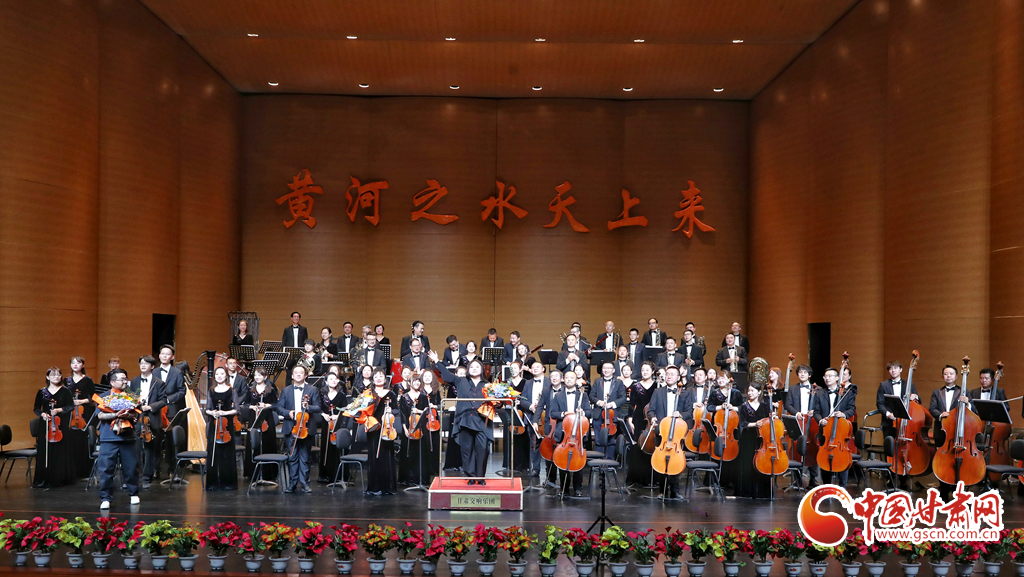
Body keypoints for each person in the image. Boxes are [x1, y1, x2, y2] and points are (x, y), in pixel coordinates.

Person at [430, 351, 491, 484]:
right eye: (471, 367)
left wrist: (498, 403)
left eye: (477, 367)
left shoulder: (487, 385)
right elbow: (447, 376)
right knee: (466, 450)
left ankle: (480, 477)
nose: (474, 369)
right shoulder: (461, 381)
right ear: (468, 370)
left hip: (481, 422)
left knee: (483, 449)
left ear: (482, 370)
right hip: (465, 421)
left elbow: (495, 401)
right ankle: (471, 476)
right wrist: (437, 361)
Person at [645, 366, 694, 499]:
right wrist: (652, 417)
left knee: (675, 460)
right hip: (662, 431)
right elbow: (651, 410)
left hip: (677, 432)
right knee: (660, 460)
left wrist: (680, 415)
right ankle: (662, 490)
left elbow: (689, 412)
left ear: (678, 377)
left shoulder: (685, 393)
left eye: (672, 374)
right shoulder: (658, 391)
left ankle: (675, 490)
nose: (669, 376)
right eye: (667, 374)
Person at [96, 369, 141, 508]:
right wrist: (116, 415)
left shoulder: (131, 396)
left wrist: (128, 415)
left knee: (131, 467)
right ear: (112, 382)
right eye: (122, 379)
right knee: (106, 469)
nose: (125, 382)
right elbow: (100, 415)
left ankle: (133, 493)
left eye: (126, 379)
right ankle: (105, 498)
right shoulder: (103, 397)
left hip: (128, 437)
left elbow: (136, 415)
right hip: (108, 438)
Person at [929, 365, 973, 499]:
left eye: (951, 374)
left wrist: (968, 403)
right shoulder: (937, 392)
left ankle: (956, 487)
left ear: (957, 376)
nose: (948, 376)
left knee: (957, 459)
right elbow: (932, 408)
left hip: (958, 432)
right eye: (946, 374)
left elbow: (973, 411)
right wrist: (940, 414)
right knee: (942, 461)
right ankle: (943, 488)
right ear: (943, 376)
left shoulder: (964, 391)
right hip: (941, 431)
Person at [276, 365, 321, 493]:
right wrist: (288, 413)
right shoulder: (286, 390)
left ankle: (305, 483)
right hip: (291, 427)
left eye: (301, 373)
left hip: (306, 427)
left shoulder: (312, 389)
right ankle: (292, 484)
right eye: (296, 373)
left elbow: (318, 407)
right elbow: (279, 407)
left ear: (305, 375)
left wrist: (308, 407)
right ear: (292, 376)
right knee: (292, 457)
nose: (298, 374)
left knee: (305, 457)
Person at [876, 360, 919, 490]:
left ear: (901, 369)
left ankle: (904, 476)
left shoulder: (909, 384)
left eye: (895, 368)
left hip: (905, 424)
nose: (893, 370)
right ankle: (891, 475)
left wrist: (915, 397)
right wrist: (889, 414)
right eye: (890, 369)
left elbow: (918, 402)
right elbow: (880, 404)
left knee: (904, 448)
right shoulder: (883, 385)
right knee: (891, 449)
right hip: (889, 422)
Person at [550, 370, 592, 497]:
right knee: (562, 460)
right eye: (567, 378)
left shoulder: (582, 395)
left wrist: (583, 413)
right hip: (564, 433)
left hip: (578, 432)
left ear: (576, 380)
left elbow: (589, 412)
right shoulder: (558, 396)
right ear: (563, 379)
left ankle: (578, 488)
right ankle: (564, 488)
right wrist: (564, 414)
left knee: (578, 460)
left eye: (571, 378)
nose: (569, 380)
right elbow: (553, 413)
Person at [33, 367, 76, 489]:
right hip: (45, 424)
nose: (56, 377)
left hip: (60, 424)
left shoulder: (65, 391)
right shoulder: (42, 392)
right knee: (45, 450)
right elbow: (36, 408)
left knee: (60, 449)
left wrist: (59, 410)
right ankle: (44, 478)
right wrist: (42, 414)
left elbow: (71, 406)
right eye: (53, 375)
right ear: (48, 377)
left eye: (59, 375)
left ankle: (60, 478)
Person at [814, 367, 857, 487]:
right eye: (825, 376)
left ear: (837, 378)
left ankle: (842, 486)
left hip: (840, 429)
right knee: (824, 456)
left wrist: (843, 414)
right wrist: (820, 420)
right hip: (825, 430)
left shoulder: (847, 392)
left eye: (830, 376)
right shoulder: (819, 393)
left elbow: (852, 409)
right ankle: (826, 485)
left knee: (842, 456)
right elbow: (816, 411)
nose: (827, 378)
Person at [130, 355, 166, 488]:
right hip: (137, 417)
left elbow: (163, 400)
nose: (143, 366)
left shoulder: (159, 382)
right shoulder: (134, 381)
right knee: (136, 448)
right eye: (141, 363)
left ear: (152, 366)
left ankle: (147, 477)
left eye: (146, 363)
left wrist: (150, 407)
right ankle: (136, 476)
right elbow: (131, 397)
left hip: (152, 418)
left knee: (150, 449)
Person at [734, 383, 772, 498]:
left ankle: (762, 492)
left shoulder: (765, 406)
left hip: (762, 439)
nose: (750, 393)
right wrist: (754, 424)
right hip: (748, 438)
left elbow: (769, 420)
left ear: (759, 392)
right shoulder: (744, 406)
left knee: (761, 463)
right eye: (749, 391)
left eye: (752, 390)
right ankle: (747, 492)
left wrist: (772, 417)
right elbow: (742, 423)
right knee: (748, 464)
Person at [205, 366, 240, 490]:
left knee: (227, 453)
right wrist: (212, 413)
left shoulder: (232, 390)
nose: (219, 376)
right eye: (217, 374)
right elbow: (207, 408)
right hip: (214, 424)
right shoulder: (211, 391)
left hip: (226, 425)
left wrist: (224, 413)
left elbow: (236, 409)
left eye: (222, 374)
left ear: (226, 376)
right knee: (214, 452)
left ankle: (228, 483)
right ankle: (213, 483)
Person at [366, 368, 399, 495]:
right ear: (372, 379)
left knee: (386, 456)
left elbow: (397, 410)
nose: (379, 378)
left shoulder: (391, 394)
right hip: (373, 428)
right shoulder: (369, 393)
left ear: (385, 379)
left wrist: (391, 411)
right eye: (376, 376)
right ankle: (375, 487)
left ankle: (387, 486)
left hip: (386, 428)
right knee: (374, 456)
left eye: (381, 376)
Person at [156, 345, 186, 478]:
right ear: (159, 356)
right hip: (156, 411)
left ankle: (172, 470)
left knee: (170, 442)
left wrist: (168, 400)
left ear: (172, 357)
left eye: (167, 354)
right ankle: (155, 469)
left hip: (171, 410)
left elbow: (182, 391)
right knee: (155, 441)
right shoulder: (154, 372)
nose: (164, 356)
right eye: (162, 353)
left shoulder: (177, 372)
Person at [244, 368, 279, 484]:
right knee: (253, 443)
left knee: (267, 442)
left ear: (265, 377)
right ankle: (253, 473)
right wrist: (252, 407)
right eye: (256, 375)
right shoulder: (250, 390)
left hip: (267, 419)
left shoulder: (271, 389)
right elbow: (245, 404)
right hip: (254, 417)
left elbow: (276, 404)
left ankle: (268, 473)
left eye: (260, 375)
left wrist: (267, 405)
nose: (257, 377)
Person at [65, 356, 96, 478]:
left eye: (78, 363)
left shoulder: (87, 380)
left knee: (83, 439)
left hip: (84, 412)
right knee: (71, 439)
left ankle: (85, 471)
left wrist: (81, 401)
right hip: (70, 413)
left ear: (83, 365)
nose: (75, 365)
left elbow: (93, 397)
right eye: (73, 363)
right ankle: (72, 471)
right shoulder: (67, 380)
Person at [590, 362, 626, 460]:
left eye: (609, 368)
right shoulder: (597, 381)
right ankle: (598, 461)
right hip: (598, 415)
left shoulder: (618, 382)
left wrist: (612, 404)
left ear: (613, 370)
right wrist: (599, 402)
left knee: (611, 440)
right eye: (604, 368)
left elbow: (623, 397)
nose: (606, 370)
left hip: (612, 415)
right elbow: (591, 396)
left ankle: (609, 462)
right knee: (598, 440)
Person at [318, 371, 348, 483]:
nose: (333, 381)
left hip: (337, 424)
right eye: (330, 379)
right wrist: (323, 414)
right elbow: (318, 407)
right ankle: (325, 474)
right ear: (326, 381)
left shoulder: (342, 395)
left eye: (335, 379)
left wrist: (338, 416)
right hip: (326, 423)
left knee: (337, 448)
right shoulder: (321, 394)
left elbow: (345, 410)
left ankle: (338, 474)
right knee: (326, 447)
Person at [521, 360, 549, 477]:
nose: (535, 369)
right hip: (532, 416)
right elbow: (522, 400)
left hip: (547, 417)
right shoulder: (527, 383)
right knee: (534, 444)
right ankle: (535, 469)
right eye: (533, 367)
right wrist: (530, 406)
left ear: (543, 369)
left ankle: (550, 471)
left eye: (538, 367)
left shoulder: (549, 381)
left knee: (548, 443)